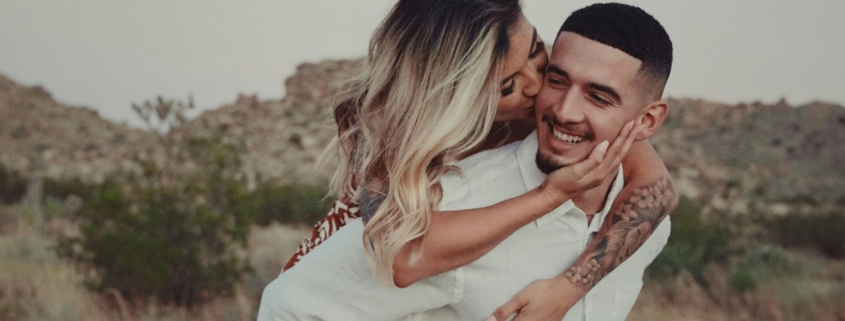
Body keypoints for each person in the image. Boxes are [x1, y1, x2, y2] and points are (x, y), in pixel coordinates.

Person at [259, 2, 675, 320]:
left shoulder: (569, 115)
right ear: (458, 96)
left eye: (537, 53)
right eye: (507, 84)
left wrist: (570, 287)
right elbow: (403, 258)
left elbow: (657, 189)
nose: (538, 89)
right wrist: (549, 196)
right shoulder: (399, 149)